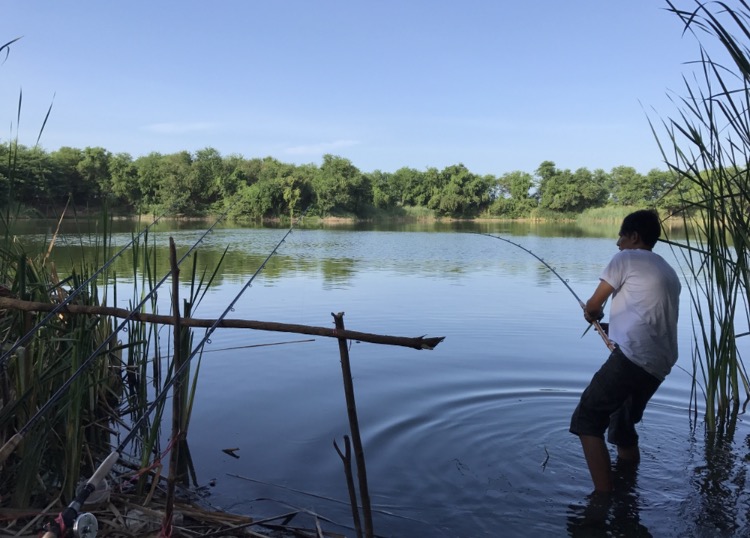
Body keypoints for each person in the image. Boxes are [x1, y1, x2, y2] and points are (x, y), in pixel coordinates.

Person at [569, 209, 681, 493]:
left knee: (586, 419)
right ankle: (627, 487)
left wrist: (591, 314)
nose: (617, 243)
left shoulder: (625, 258)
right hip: (659, 364)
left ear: (633, 236)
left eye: (621, 235)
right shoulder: (667, 270)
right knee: (621, 425)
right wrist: (610, 326)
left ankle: (603, 497)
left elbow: (593, 306)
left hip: (633, 359)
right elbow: (649, 318)